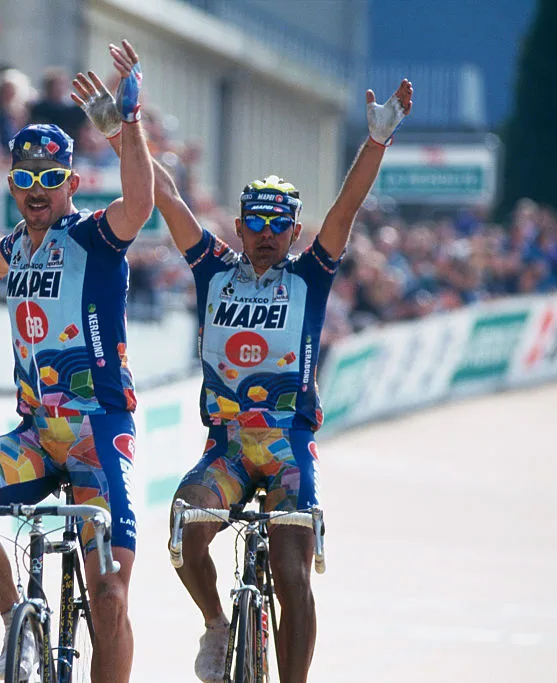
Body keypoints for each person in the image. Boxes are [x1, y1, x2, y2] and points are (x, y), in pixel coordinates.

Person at [73, 65, 412, 683]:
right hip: (227, 448)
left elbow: (346, 208)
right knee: (184, 524)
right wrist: (122, 133)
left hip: (288, 448)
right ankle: (215, 624)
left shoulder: (310, 274)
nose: (262, 235)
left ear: (292, 231)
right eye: (252, 223)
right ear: (238, 225)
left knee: (290, 572)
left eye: (275, 225)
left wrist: (376, 141)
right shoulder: (212, 269)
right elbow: (168, 198)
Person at [0, 40, 154, 683]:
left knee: (110, 593)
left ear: (71, 184)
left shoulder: (92, 236)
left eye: (49, 180)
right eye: (25, 180)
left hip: (98, 436)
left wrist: (128, 126)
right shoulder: (13, 247)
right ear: (12, 185)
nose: (37, 191)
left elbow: (140, 203)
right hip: (35, 434)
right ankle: (17, 626)